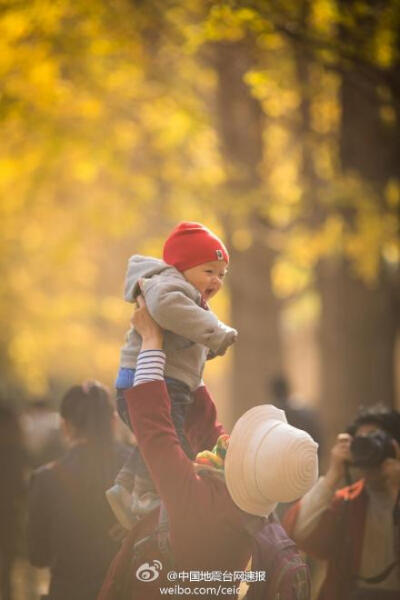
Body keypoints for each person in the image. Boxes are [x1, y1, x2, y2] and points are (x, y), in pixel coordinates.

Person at [98, 295, 319, 600]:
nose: (232, 441)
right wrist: (190, 351)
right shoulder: (255, 510)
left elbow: (155, 432)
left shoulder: (199, 507)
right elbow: (207, 429)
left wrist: (151, 341)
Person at [107, 221, 238, 527]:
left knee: (157, 441)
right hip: (153, 384)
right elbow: (169, 309)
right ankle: (147, 497)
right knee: (173, 445)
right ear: (182, 267)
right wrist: (216, 333)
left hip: (163, 383)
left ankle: (124, 485)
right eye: (208, 271)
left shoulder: (184, 294)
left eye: (221, 274)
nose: (216, 281)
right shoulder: (170, 288)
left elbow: (183, 338)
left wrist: (206, 348)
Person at [284, 405, 400, 600]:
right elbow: (295, 533)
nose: (370, 449)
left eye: (377, 440)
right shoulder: (348, 502)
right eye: (363, 443)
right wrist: (333, 475)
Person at [27, 381, 129, 600]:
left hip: (68, 593)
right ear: (113, 422)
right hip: (126, 592)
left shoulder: (46, 479)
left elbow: (38, 556)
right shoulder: (139, 468)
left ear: (65, 425)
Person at [0, 401, 26, 600]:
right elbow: (20, 486)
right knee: (6, 566)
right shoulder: (15, 449)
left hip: (9, 510)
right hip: (8, 512)